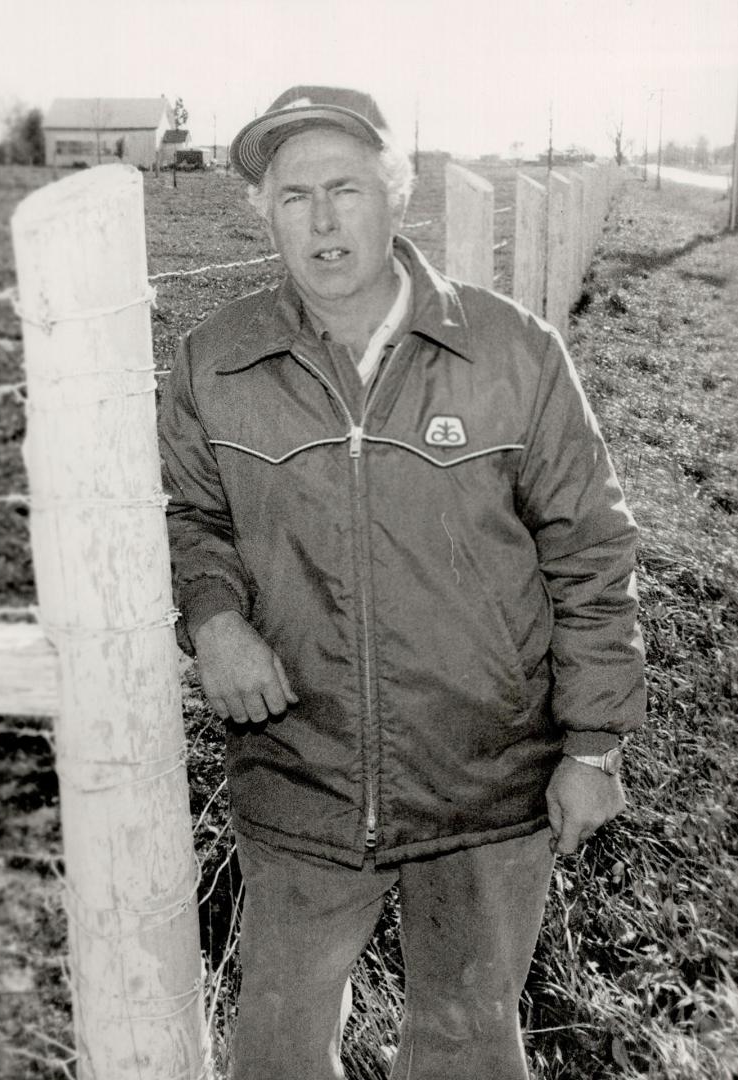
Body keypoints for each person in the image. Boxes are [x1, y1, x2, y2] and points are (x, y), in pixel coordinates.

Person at [159, 85, 646, 1080]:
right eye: (294, 195)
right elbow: (193, 521)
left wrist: (594, 745)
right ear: (264, 210)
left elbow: (591, 549)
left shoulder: (509, 353)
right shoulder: (215, 364)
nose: (324, 218)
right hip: (300, 776)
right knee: (277, 1053)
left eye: (347, 188)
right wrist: (212, 617)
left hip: (485, 783)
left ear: (398, 192)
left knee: (467, 1045)